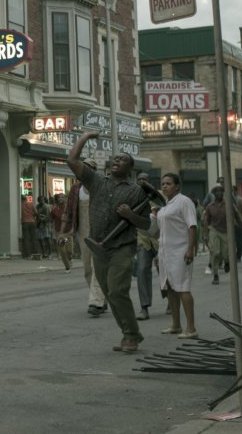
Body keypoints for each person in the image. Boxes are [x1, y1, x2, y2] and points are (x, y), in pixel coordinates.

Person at [66, 131, 151, 354]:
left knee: (117, 291)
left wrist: (131, 215)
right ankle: (127, 333)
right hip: (98, 247)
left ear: (131, 168)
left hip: (122, 248)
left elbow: (146, 224)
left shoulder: (136, 192)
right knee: (108, 292)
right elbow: (71, 160)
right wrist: (84, 137)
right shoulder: (96, 182)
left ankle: (132, 335)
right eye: (115, 158)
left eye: (122, 159)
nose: (116, 160)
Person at [62, 159, 108, 317]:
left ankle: (96, 302)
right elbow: (68, 212)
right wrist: (63, 232)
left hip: (99, 232)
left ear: (94, 171)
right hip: (82, 231)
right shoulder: (75, 189)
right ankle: (101, 298)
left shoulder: (100, 187)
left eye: (88, 168)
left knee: (97, 267)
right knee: (87, 269)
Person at [156, 173, 199, 339]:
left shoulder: (184, 202)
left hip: (180, 252)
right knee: (170, 288)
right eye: (163, 184)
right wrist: (158, 252)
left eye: (168, 183)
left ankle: (191, 328)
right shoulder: (165, 205)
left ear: (177, 186)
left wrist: (190, 249)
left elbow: (192, 226)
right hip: (165, 252)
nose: (164, 186)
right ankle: (175, 324)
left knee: (183, 288)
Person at [135, 173, 163, 320]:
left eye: (144, 180)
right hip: (143, 240)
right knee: (142, 270)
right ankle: (144, 307)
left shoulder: (159, 198)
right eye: (139, 180)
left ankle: (171, 300)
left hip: (160, 239)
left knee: (164, 271)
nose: (141, 183)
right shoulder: (133, 198)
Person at [202, 185, 230, 284]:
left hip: (226, 231)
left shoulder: (228, 204)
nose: (219, 193)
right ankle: (216, 275)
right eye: (217, 192)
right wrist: (205, 235)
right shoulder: (210, 206)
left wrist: (241, 228)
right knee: (215, 252)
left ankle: (227, 262)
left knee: (226, 253)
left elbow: (236, 215)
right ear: (214, 194)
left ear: (223, 193)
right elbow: (206, 221)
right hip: (214, 230)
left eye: (221, 191)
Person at [51, 193, 72, 272]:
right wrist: (52, 229)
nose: (61, 199)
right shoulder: (54, 210)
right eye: (59, 197)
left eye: (63, 197)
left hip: (68, 232)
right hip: (59, 232)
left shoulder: (69, 209)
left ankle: (70, 259)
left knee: (69, 251)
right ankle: (67, 267)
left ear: (66, 199)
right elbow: (51, 219)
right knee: (62, 251)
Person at [20, 195, 39, 260]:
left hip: (25, 222)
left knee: (26, 239)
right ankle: (35, 254)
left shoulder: (20, 205)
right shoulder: (31, 204)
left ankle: (28, 255)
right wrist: (33, 216)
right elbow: (36, 213)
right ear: (26, 199)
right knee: (34, 238)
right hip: (32, 222)